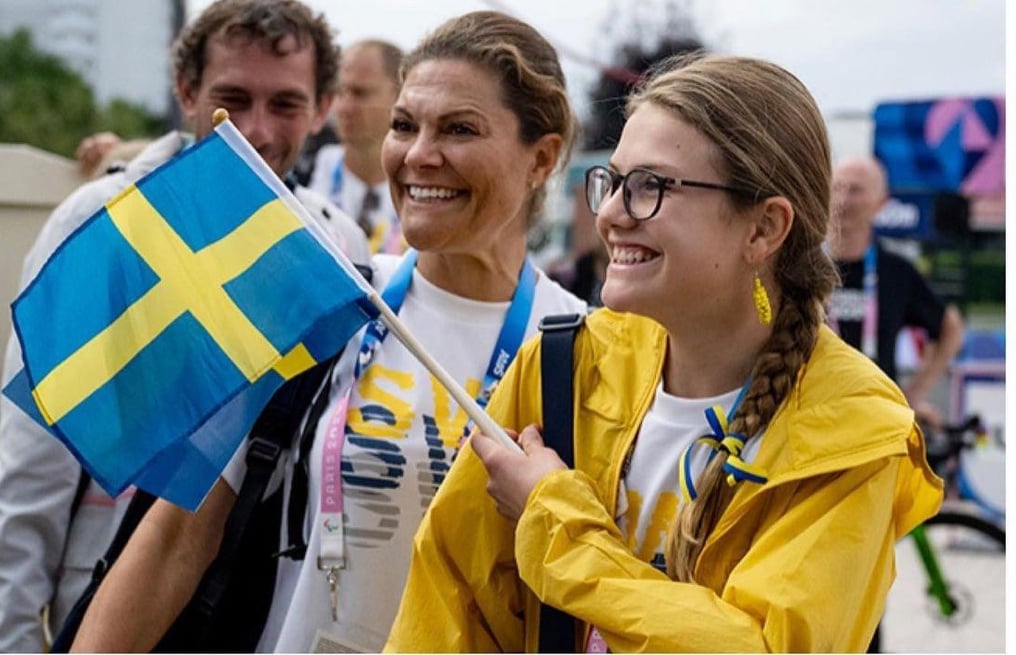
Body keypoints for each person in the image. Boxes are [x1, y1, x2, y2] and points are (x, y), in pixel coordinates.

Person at [386, 54, 944, 653]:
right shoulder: (562, 367)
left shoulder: (856, 432)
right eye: (613, 181)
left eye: (651, 186)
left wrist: (554, 520)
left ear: (763, 229)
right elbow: (446, 610)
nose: (610, 214)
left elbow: (758, 647)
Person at [70, 10, 586, 653]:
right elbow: (179, 536)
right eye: (405, 125)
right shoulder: (329, 298)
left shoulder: (583, 351)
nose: (421, 155)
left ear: (542, 157)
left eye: (459, 129)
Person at [0, 1, 369, 651]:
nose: (255, 130)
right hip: (108, 600)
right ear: (186, 92)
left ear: (323, 108)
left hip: (258, 613)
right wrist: (11, 637)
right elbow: (33, 460)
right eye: (231, 99)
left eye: (286, 104)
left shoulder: (336, 246)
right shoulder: (104, 222)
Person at [829, 155, 965, 430]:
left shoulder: (896, 271)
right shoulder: (801, 265)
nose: (844, 199)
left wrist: (913, 395)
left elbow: (951, 327)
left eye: (856, 190)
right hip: (814, 417)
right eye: (837, 187)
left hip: (875, 423)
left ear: (880, 204)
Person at [308, 39, 406, 255]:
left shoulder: (425, 186)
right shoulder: (304, 172)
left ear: (400, 96)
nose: (344, 107)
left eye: (360, 93)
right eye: (340, 92)